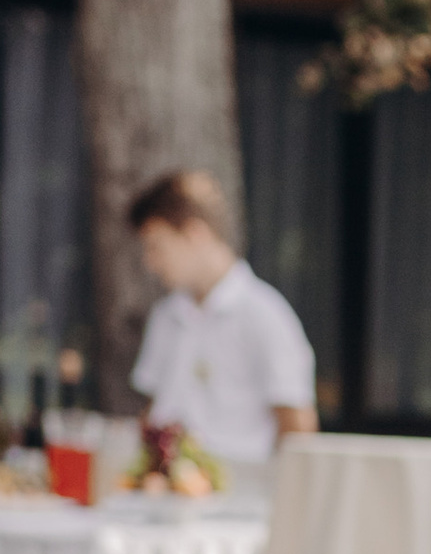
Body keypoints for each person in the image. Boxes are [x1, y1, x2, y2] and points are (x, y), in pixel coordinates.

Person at [128, 171, 318, 476]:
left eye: (157, 246)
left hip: (239, 504)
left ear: (194, 233)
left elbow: (298, 427)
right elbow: (155, 411)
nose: (151, 263)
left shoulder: (264, 314)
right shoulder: (165, 315)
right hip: (166, 495)